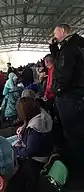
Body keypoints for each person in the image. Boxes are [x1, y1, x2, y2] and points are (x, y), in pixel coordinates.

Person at [50, 23, 84, 175]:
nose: (54, 35)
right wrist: (54, 48)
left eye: (55, 32)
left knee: (73, 133)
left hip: (69, 96)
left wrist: (57, 90)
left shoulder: (69, 48)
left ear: (62, 31)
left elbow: (64, 71)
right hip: (77, 95)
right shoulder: (75, 45)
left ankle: (78, 170)